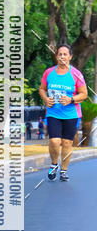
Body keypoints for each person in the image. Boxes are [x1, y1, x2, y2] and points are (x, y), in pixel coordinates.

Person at [39, 43, 87, 182]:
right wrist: (45, 99)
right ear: (56, 56)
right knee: (54, 141)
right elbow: (42, 89)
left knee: (67, 143)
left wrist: (71, 99)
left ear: (70, 57)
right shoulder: (49, 72)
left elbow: (84, 94)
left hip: (71, 114)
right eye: (60, 54)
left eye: (65, 54)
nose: (62, 57)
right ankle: (54, 164)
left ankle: (64, 170)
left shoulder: (76, 74)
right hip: (53, 112)